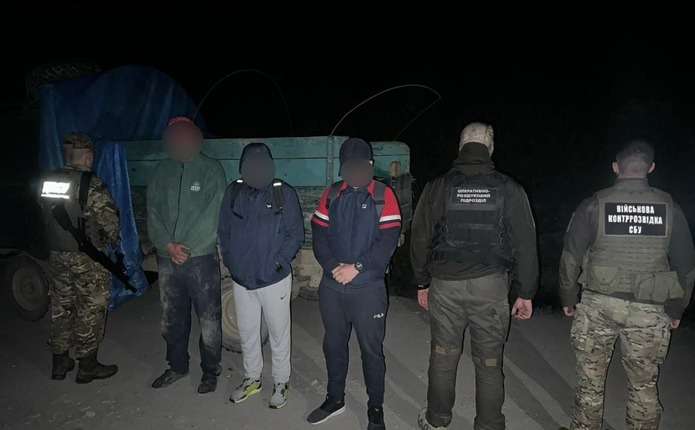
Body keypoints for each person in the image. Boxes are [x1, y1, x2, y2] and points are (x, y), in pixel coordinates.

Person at [558, 141, 695, 430]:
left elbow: (571, 257)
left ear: (615, 167)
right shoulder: (670, 208)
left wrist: (568, 297)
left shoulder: (594, 204)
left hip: (598, 305)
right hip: (649, 309)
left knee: (590, 381)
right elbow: (686, 266)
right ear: (651, 168)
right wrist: (677, 309)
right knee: (643, 385)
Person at [410, 122, 539, 430]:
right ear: (490, 149)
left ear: (460, 146)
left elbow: (419, 238)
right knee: (490, 362)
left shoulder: (438, 186)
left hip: (445, 287)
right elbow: (525, 244)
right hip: (490, 288)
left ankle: (437, 420)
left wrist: (422, 282)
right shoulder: (509, 188)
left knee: (443, 355)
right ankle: (490, 425)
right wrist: (526, 292)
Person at [307, 137, 402, 430]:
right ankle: (334, 399)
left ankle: (375, 407)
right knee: (334, 345)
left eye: (364, 164)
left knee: (371, 350)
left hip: (368, 289)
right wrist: (333, 266)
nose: (358, 170)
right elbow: (319, 234)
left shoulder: (384, 195)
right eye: (351, 165)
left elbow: (387, 241)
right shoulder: (332, 194)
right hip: (333, 287)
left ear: (371, 164)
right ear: (343, 167)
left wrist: (357, 268)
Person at [218, 142, 304, 409]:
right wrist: (232, 264)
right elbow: (224, 231)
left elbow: (295, 235)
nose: (256, 169)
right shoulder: (233, 192)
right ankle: (252, 378)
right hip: (242, 280)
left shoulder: (282, 193)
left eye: (262, 164)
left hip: (274, 279)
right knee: (247, 333)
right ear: (242, 167)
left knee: (278, 334)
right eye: (250, 164)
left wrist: (277, 264)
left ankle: (281, 381)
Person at [147, 117, 226, 394]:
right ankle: (177, 366)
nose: (180, 140)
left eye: (185, 135)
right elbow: (152, 211)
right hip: (168, 258)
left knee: (209, 318)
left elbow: (214, 214)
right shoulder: (161, 171)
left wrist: (187, 247)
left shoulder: (211, 169)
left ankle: (210, 371)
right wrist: (167, 245)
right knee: (172, 317)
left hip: (201, 258)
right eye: (174, 136)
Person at [38, 133, 121, 383]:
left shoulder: (48, 180)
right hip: (86, 258)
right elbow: (110, 223)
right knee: (90, 309)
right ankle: (87, 366)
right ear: (88, 157)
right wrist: (107, 243)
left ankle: (60, 362)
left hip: (57, 255)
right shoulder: (90, 184)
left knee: (61, 306)